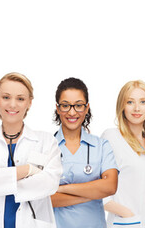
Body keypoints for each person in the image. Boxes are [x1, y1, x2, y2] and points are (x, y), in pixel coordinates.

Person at [0, 72, 62, 228]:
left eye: (20, 98)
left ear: (29, 102)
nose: (12, 105)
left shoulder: (47, 142)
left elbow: (49, 183)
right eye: (6, 97)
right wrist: (28, 170)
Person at [49, 77, 118, 228]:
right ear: (58, 108)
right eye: (66, 105)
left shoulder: (101, 146)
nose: (72, 112)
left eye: (78, 105)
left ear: (86, 108)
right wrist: (93, 192)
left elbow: (110, 187)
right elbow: (43, 198)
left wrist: (61, 189)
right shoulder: (46, 146)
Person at [101, 80, 145, 227]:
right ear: (122, 106)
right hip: (127, 223)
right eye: (130, 102)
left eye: (143, 102)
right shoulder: (112, 138)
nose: (137, 108)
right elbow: (98, 191)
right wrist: (127, 214)